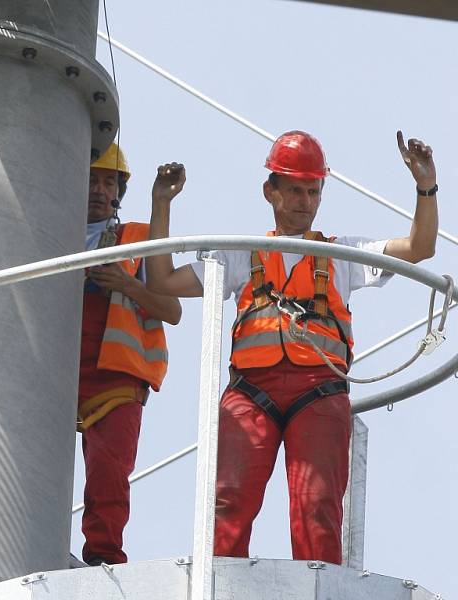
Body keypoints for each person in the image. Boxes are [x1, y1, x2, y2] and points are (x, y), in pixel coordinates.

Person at [146, 130, 438, 564]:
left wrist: (425, 187)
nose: (305, 200)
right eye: (296, 190)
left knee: (317, 508)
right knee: (228, 503)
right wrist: (162, 205)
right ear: (271, 191)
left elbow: (419, 247)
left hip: (318, 394)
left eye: (313, 190)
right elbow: (163, 281)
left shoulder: (343, 254)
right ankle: (220, 589)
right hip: (250, 393)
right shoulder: (240, 257)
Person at [79, 143, 182, 566]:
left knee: (107, 476)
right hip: (52, 367)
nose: (100, 190)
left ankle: (102, 563)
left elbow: (171, 309)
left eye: (108, 181)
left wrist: (127, 285)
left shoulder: (134, 239)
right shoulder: (46, 231)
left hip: (114, 376)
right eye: (91, 179)